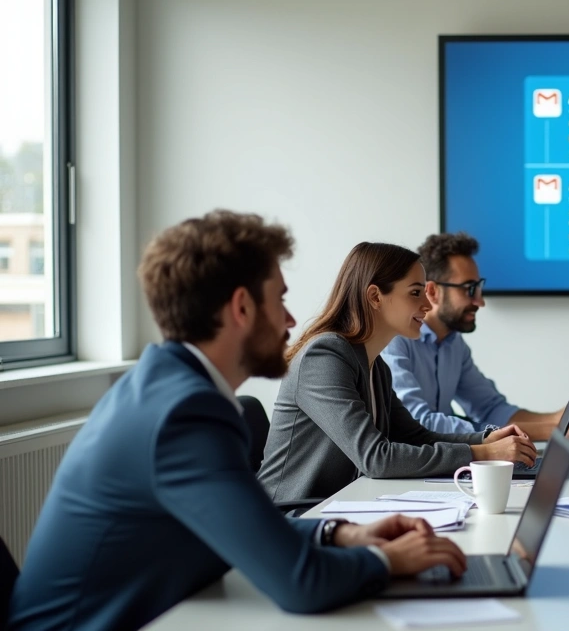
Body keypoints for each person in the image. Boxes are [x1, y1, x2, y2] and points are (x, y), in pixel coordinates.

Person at [7, 211, 467, 631]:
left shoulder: (172, 388)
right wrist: (387, 561)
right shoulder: (182, 414)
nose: (291, 320)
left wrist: (339, 532)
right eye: (280, 300)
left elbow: (244, 526)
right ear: (242, 307)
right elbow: (301, 583)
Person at [258, 242, 537, 503]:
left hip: (337, 507)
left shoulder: (375, 366)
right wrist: (482, 454)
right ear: (375, 296)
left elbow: (416, 437)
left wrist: (486, 441)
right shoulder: (324, 357)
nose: (427, 306)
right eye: (416, 293)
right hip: (289, 518)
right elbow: (377, 458)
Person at [382, 232, 569, 439]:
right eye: (469, 289)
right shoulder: (394, 340)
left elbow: (491, 410)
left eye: (479, 288)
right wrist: (552, 431)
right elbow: (416, 422)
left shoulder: (454, 345)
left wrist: (561, 418)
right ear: (433, 291)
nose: (480, 302)